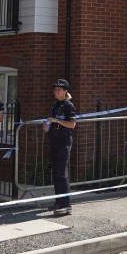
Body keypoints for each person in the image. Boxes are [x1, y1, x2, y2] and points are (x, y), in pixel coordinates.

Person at [45, 78, 76, 216]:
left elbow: (72, 125)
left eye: (58, 90)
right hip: (54, 141)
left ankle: (66, 203)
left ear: (65, 91)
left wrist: (57, 120)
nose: (56, 92)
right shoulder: (54, 106)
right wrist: (46, 126)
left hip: (64, 142)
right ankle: (58, 201)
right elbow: (49, 123)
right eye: (54, 89)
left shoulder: (69, 106)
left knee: (62, 172)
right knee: (56, 172)